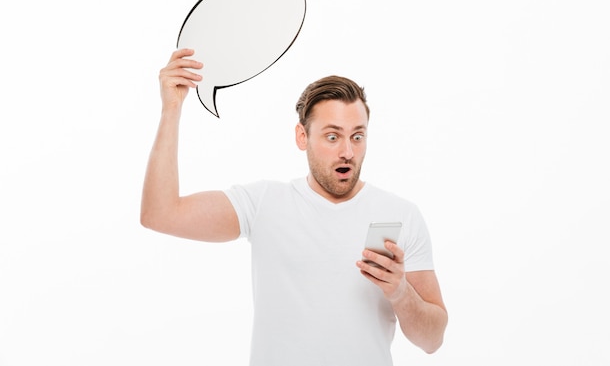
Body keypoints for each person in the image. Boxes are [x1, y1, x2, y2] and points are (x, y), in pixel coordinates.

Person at [141, 48, 448, 365]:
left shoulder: (401, 215)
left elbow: (432, 340)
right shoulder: (263, 204)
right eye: (332, 137)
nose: (347, 151)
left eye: (357, 137)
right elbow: (160, 214)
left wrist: (400, 292)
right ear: (302, 137)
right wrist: (171, 110)